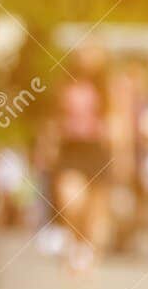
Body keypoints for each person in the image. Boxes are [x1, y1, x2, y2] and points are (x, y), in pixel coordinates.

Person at [45, 47, 111, 272]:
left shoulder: (107, 89)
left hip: (96, 149)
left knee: (93, 209)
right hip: (71, 150)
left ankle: (86, 250)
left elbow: (117, 123)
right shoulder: (65, 86)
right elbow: (54, 119)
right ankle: (74, 243)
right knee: (71, 202)